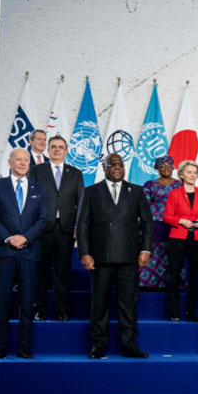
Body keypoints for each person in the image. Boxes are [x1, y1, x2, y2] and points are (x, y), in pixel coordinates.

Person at [77, 153, 153, 359]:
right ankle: (98, 346)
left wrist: (145, 250)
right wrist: (85, 252)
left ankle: (129, 346)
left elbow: (147, 223)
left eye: (120, 164)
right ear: (105, 168)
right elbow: (82, 225)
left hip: (129, 257)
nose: (117, 168)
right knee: (99, 304)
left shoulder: (136, 191)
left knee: (128, 304)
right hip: (101, 257)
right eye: (113, 165)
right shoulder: (91, 191)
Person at [0, 148, 48, 358]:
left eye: (26, 160)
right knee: (2, 301)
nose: (23, 163)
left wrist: (25, 238)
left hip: (29, 252)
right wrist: (9, 237)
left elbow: (43, 219)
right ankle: (1, 347)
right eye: (18, 160)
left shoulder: (39, 189)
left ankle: (24, 347)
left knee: (27, 301)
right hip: (4, 251)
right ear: (10, 163)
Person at [29, 135, 83, 322]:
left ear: (66, 151)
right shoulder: (36, 171)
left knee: (63, 272)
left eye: (61, 147)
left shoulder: (75, 173)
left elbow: (81, 203)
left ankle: (61, 309)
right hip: (43, 229)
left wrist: (78, 226)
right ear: (48, 150)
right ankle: (40, 309)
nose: (57, 150)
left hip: (66, 230)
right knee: (41, 271)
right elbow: (30, 201)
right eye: (53, 147)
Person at [162, 160, 198, 322]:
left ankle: (191, 312)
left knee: (194, 277)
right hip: (178, 238)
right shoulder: (174, 194)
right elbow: (167, 216)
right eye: (189, 172)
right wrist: (181, 221)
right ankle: (174, 312)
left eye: (195, 172)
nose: (192, 175)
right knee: (174, 276)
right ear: (181, 175)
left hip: (196, 239)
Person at [141, 156, 181, 289]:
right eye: (163, 166)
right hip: (156, 224)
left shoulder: (179, 185)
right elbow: (143, 206)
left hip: (175, 224)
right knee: (155, 251)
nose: (166, 168)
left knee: (173, 252)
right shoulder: (149, 185)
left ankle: (173, 282)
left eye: (169, 166)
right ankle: (151, 282)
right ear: (157, 168)